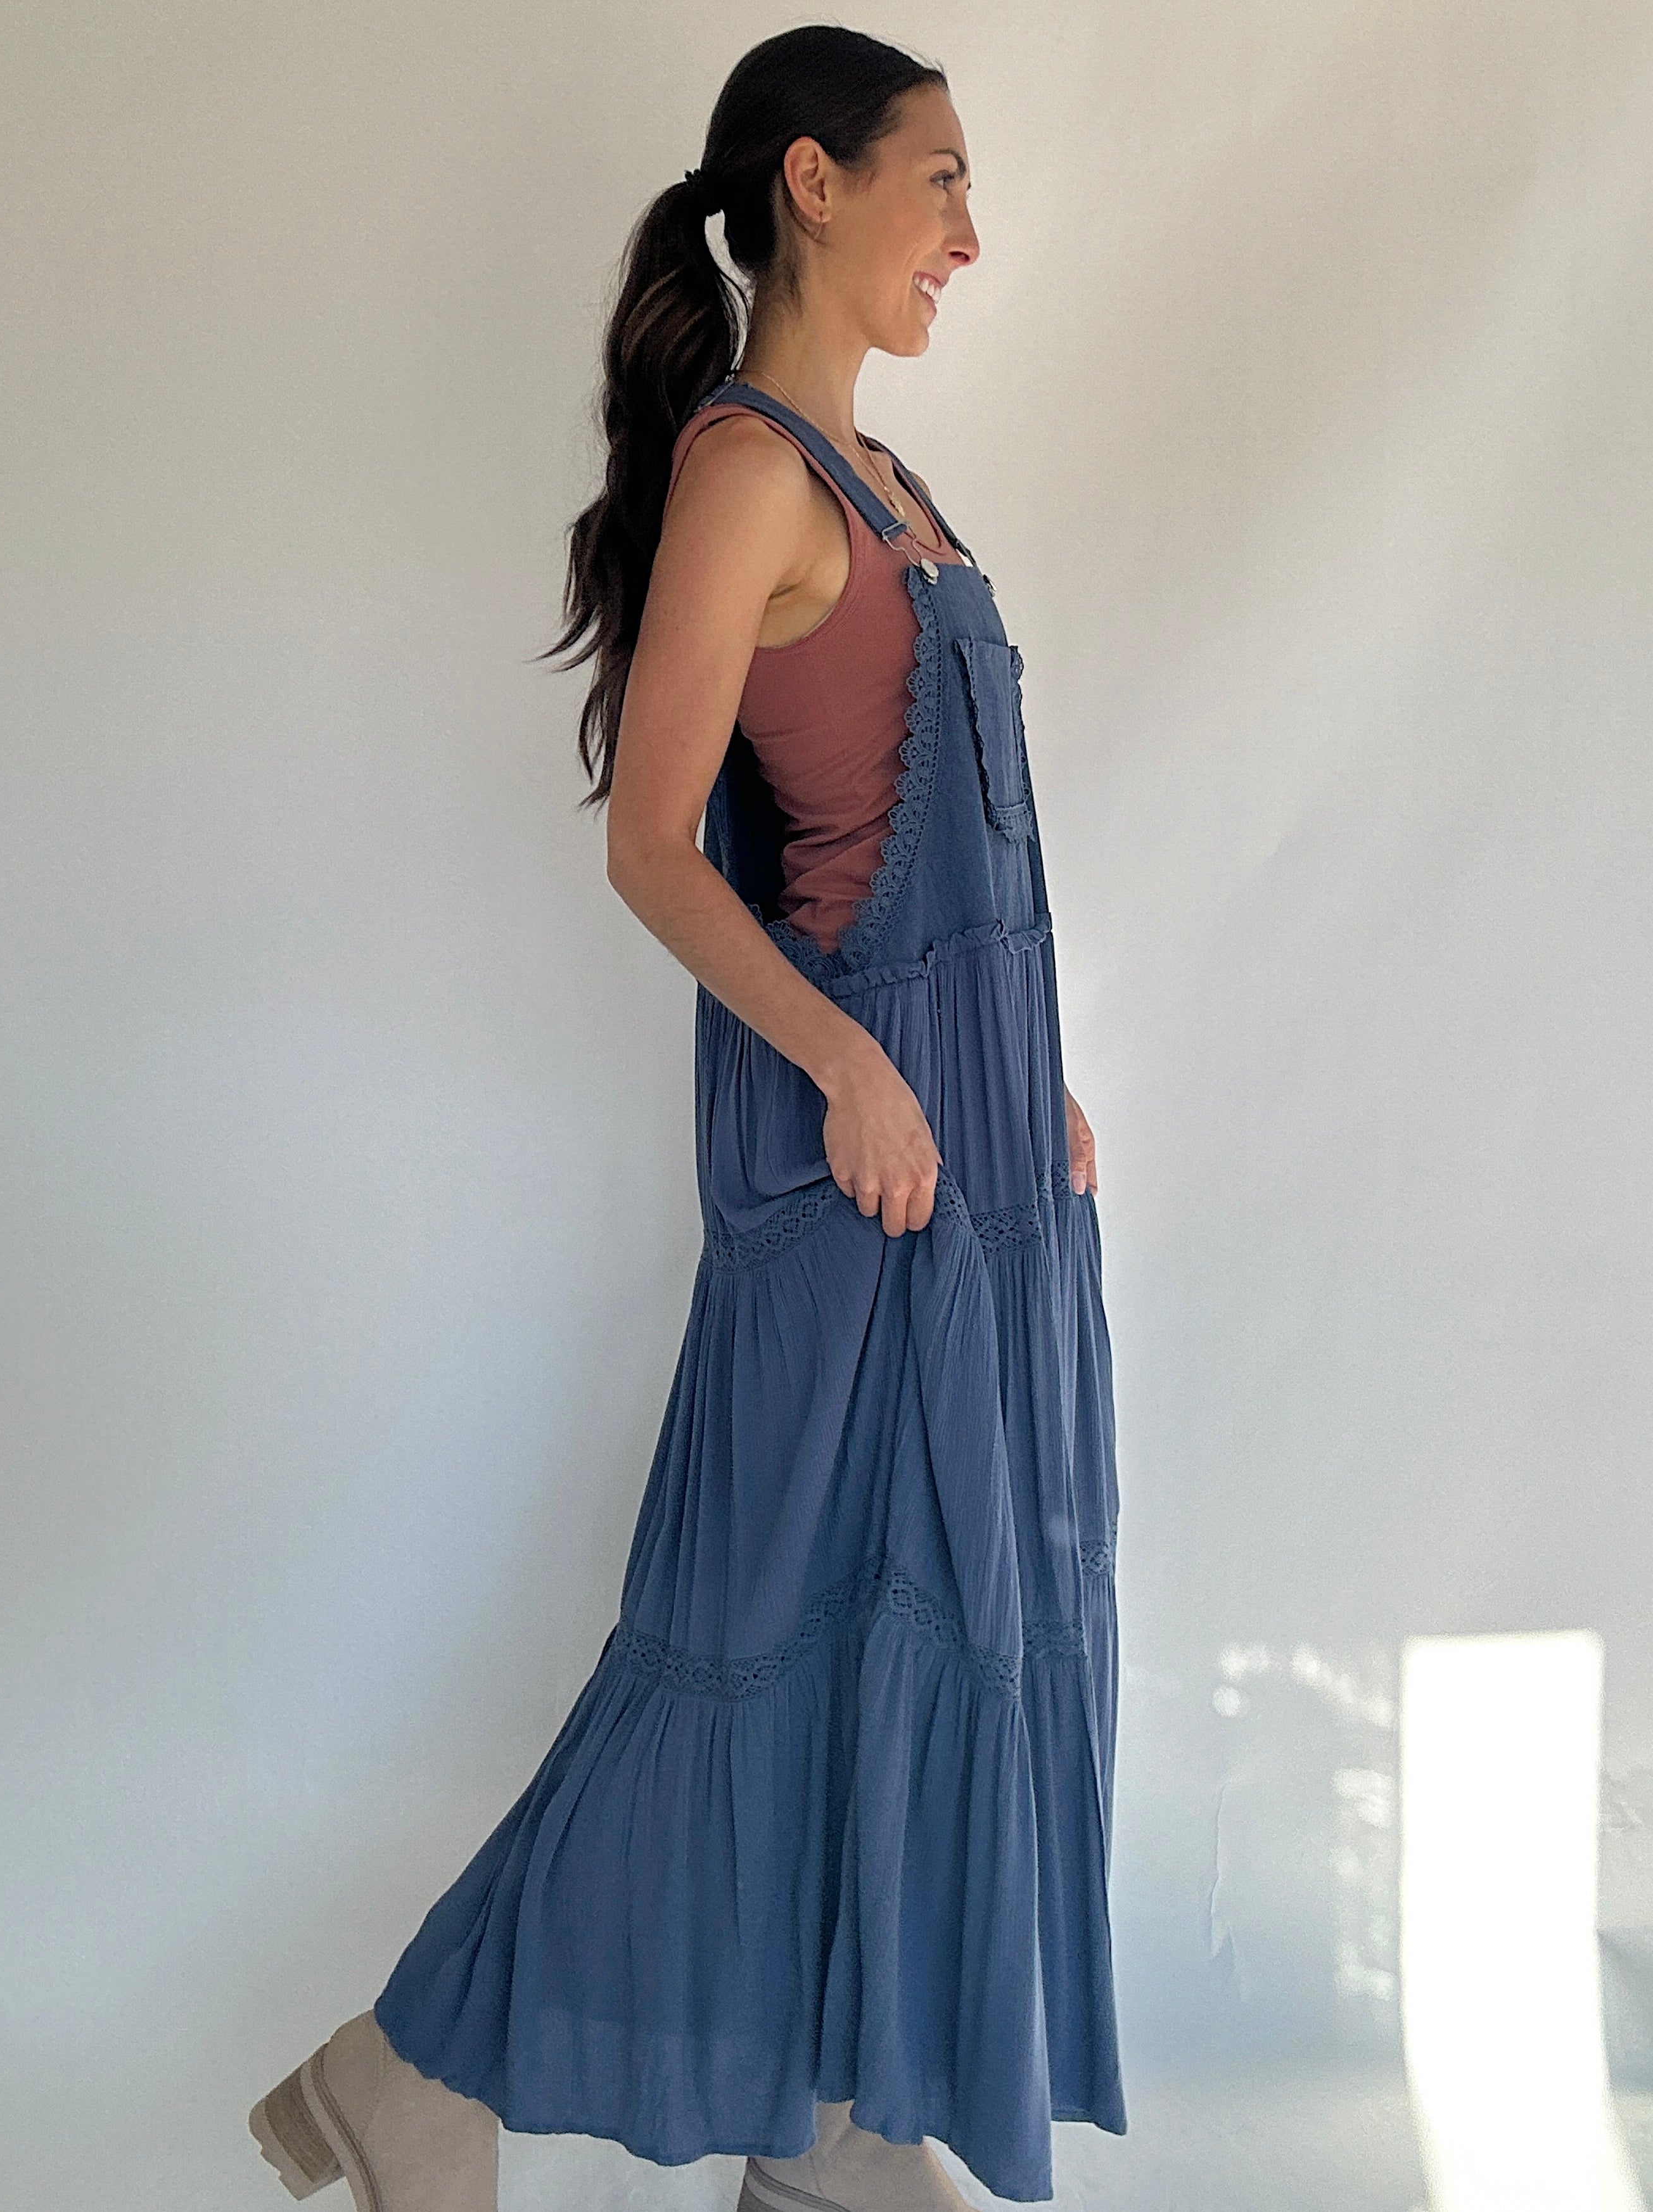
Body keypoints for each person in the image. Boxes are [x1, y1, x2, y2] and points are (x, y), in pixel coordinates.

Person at [247, 25, 1124, 2212]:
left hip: (979, 1167)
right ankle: (405, 2087)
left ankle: (831, 2135)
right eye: (937, 180)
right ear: (812, 187)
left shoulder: (894, 488)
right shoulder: (753, 477)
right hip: (863, 1185)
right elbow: (656, 843)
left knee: (898, 1636)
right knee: (749, 1655)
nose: (967, 232)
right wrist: (850, 1062)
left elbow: (938, 856)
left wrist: (1039, 1073)